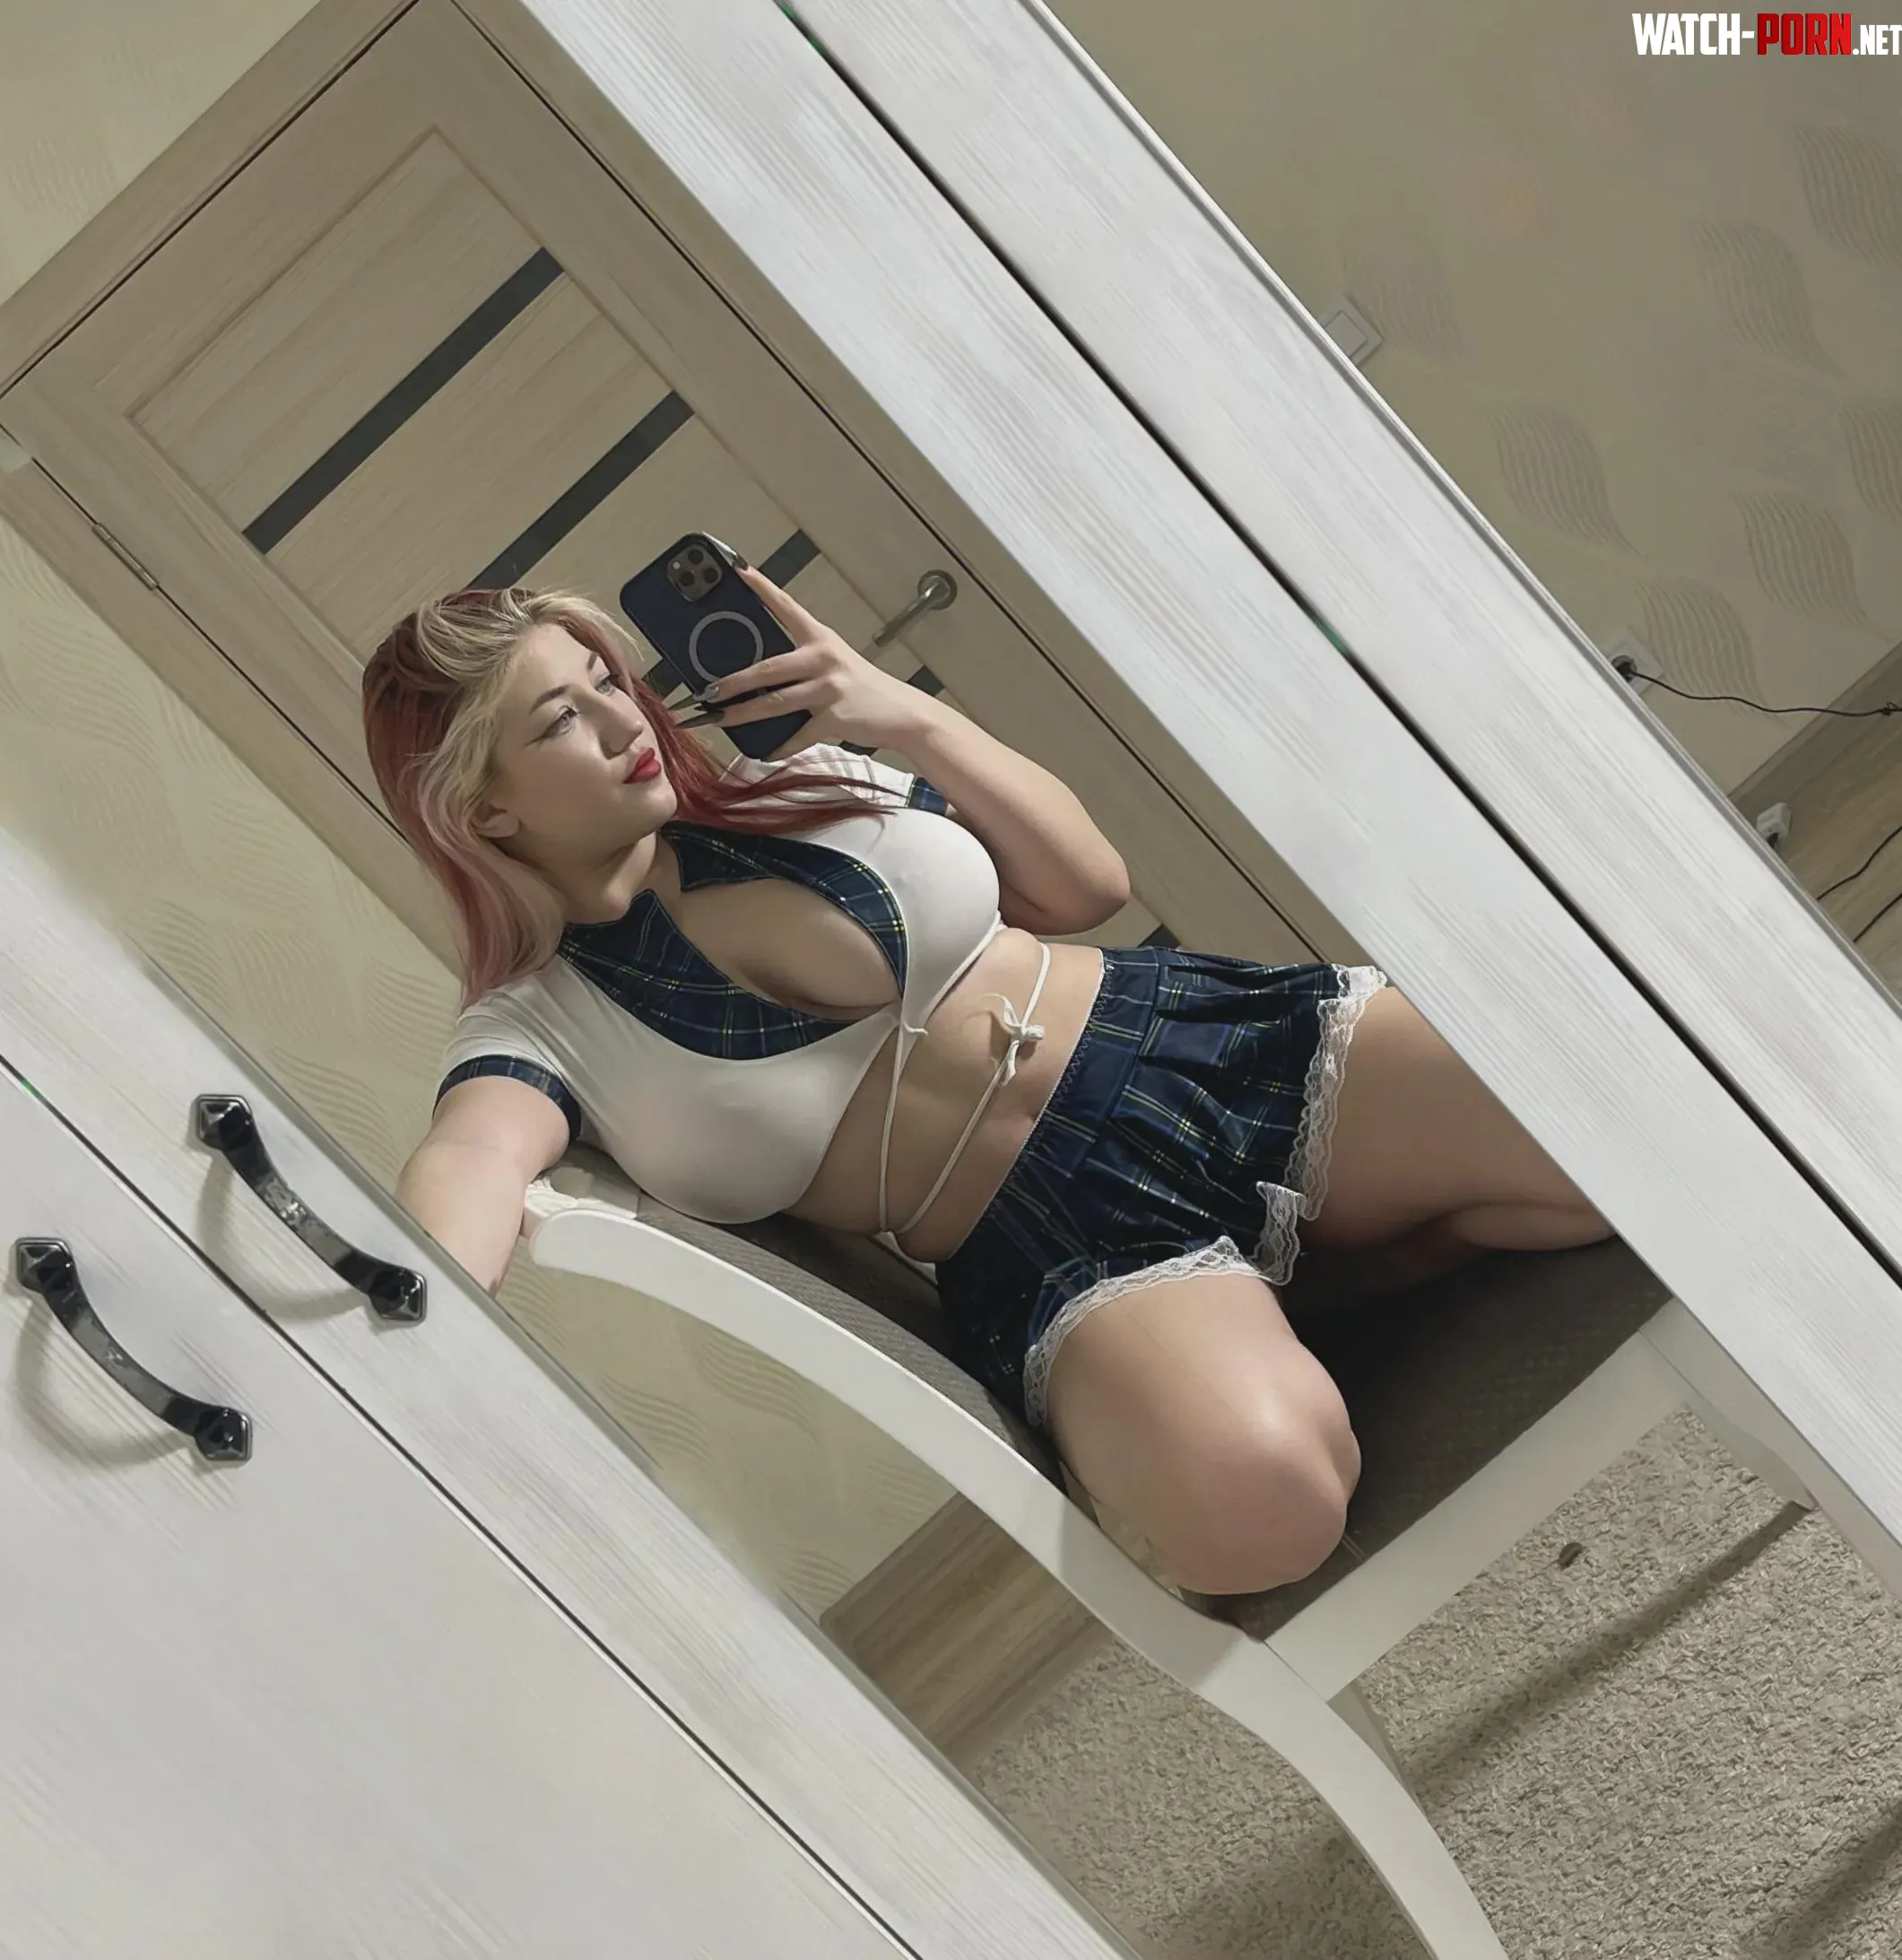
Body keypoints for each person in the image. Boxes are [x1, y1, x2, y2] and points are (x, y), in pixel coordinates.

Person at [367, 562, 1613, 1599]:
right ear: (482, 811)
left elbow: (1084, 886)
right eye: (559, 722)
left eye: (607, 680)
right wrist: (400, 1328)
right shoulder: (542, 1024)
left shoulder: (807, 783)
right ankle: (1326, 1276)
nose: (624, 722)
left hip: (1210, 1049)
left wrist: (897, 715)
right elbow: (470, 1160)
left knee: (1615, 1122)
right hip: (1063, 1251)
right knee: (1260, 1509)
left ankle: (1328, 1266)